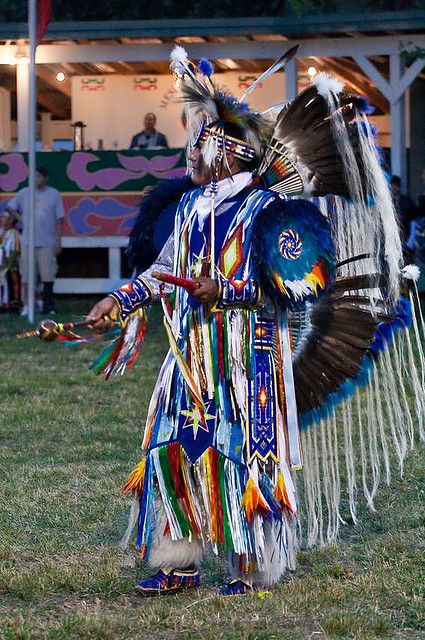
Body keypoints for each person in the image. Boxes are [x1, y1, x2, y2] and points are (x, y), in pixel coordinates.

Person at [85, 48, 422, 597]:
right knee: (175, 447)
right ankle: (177, 561)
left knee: (249, 453)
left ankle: (255, 565)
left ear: (223, 149)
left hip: (250, 358)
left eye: (200, 137)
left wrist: (228, 289)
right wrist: (119, 300)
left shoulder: (270, 211)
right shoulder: (193, 209)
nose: (190, 148)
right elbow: (165, 270)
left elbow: (297, 288)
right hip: (191, 353)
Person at [6, 167, 64, 316]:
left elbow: (59, 219)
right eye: (34, 177)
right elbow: (10, 207)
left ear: (45, 178)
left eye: (38, 177)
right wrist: (20, 219)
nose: (36, 180)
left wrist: (58, 241)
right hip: (27, 243)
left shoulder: (54, 195)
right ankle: (27, 305)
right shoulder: (24, 193)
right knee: (26, 275)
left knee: (47, 275)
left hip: (47, 242)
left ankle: (48, 306)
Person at [0, 210, 21, 311]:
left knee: (11, 282)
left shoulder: (15, 233)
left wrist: (8, 263)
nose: (2, 219)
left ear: (11, 220)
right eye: (2, 217)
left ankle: (12, 304)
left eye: (5, 217)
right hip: (2, 264)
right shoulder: (2, 232)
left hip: (9, 265)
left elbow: (16, 249)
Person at [389, 174, 418, 245]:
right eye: (390, 187)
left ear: (398, 188)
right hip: (391, 240)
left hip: (405, 240)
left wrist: (410, 242)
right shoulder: (387, 203)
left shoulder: (407, 202)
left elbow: (414, 222)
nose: (392, 189)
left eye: (394, 186)